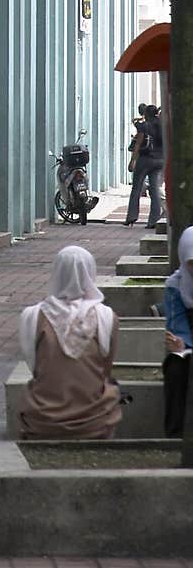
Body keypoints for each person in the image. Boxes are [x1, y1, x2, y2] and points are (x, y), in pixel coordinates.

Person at [17, 244, 121, 440]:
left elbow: (35, 367)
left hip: (42, 419)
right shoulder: (106, 317)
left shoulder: (31, 316)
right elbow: (106, 369)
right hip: (95, 420)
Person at [162, 226, 193, 437]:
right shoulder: (175, 285)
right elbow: (176, 324)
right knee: (176, 366)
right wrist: (182, 344)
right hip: (189, 347)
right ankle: (176, 434)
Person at [123, 104, 164, 227]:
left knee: (136, 188)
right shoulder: (162, 126)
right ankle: (154, 220)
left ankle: (131, 216)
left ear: (146, 114)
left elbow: (137, 144)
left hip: (145, 159)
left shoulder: (145, 126)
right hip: (159, 160)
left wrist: (133, 161)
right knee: (155, 189)